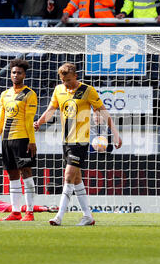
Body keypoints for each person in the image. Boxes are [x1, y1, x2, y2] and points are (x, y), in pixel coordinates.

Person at [34, 63, 122, 226]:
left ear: (75, 76)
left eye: (68, 80)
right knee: (76, 179)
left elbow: (103, 111)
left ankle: (58, 216)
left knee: (68, 175)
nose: (66, 83)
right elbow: (51, 109)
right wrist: (39, 122)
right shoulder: (59, 90)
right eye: (63, 80)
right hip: (66, 140)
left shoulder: (87, 90)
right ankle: (88, 216)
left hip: (80, 141)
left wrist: (115, 134)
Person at [0, 59, 38, 222]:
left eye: (19, 72)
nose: (16, 75)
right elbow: (0, 118)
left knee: (26, 173)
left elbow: (28, 119)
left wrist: (31, 141)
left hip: (22, 139)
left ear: (24, 75)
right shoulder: (5, 94)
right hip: (6, 139)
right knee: (12, 174)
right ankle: (16, 212)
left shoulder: (29, 94)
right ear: (10, 74)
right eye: (13, 72)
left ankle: (30, 212)